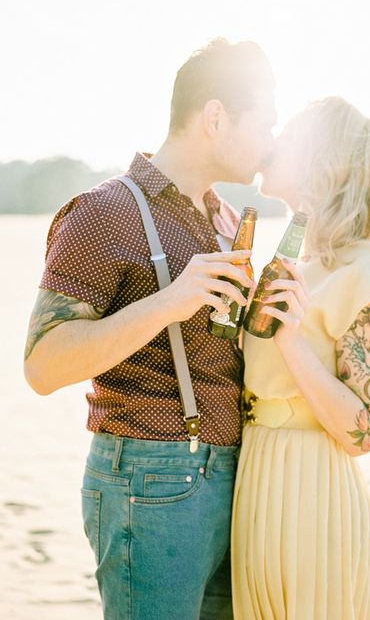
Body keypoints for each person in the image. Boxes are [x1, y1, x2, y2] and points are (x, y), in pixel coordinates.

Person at [24, 38, 276, 620]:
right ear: (215, 117)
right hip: (150, 481)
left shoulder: (226, 219)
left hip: (234, 477)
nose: (270, 145)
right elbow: (41, 366)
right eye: (264, 125)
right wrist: (171, 300)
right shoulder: (100, 212)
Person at [231, 96, 370, 620]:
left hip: (312, 494)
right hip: (258, 479)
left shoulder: (365, 271)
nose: (272, 146)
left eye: (287, 138)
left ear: (322, 161)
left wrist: (290, 342)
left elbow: (363, 430)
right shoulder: (303, 259)